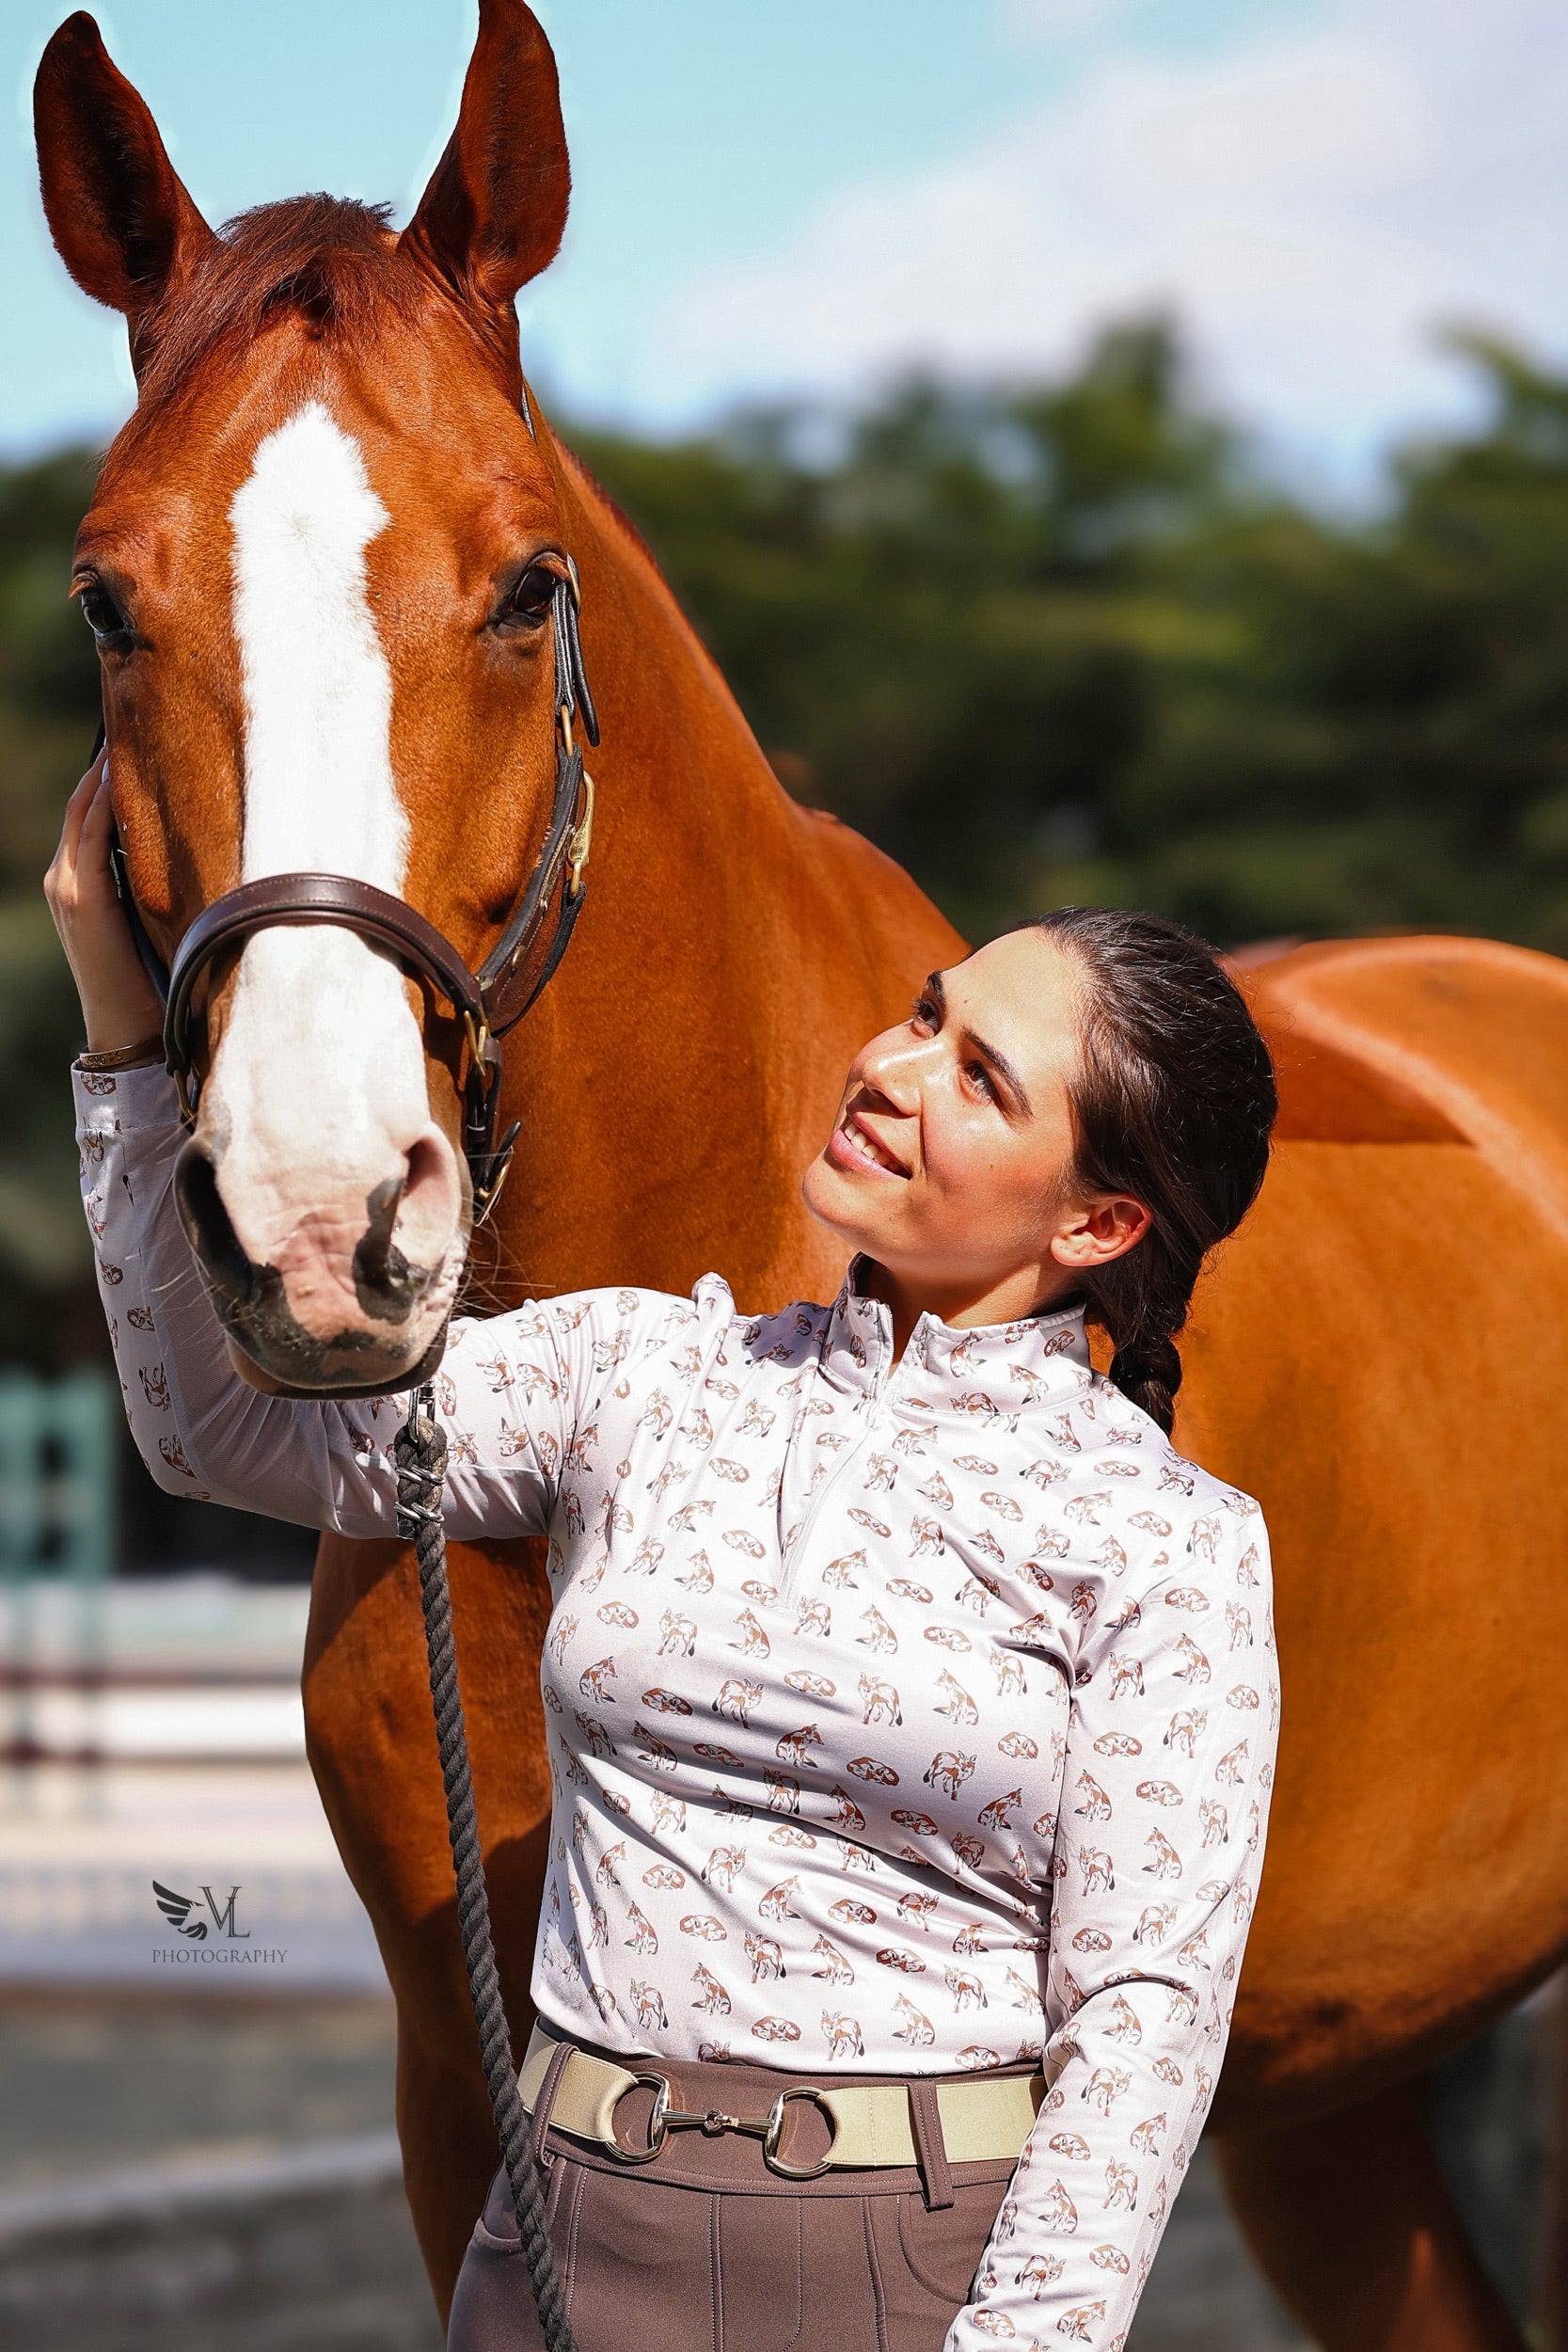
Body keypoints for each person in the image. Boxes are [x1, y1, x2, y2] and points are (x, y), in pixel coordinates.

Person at [48, 754, 1279, 2352]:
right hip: (553, 2242)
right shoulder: (639, 1372)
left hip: (896, 2278)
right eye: (924, 1014)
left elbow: (1142, 2023)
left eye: (980, 1079)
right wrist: (124, 1033)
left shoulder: (1167, 1540)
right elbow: (220, 1432)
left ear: (1096, 1226)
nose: (892, 1068)